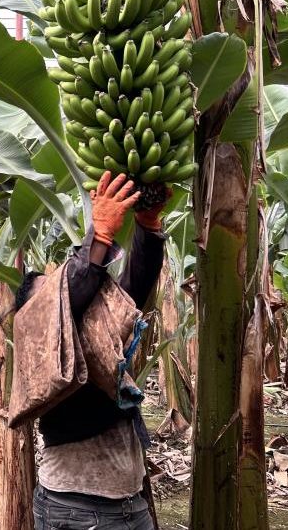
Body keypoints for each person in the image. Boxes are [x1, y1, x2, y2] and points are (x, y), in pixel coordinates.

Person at [18, 172, 167, 530]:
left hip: (130, 505)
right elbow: (72, 293)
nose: (61, 290)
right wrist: (98, 236)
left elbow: (133, 292)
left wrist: (147, 227)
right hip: (78, 510)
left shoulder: (100, 341)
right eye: (50, 288)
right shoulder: (43, 350)